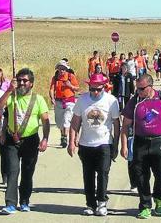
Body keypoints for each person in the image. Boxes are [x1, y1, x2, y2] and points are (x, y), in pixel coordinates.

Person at [120, 74, 161, 219]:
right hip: (140, 142)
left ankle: (158, 198)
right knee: (141, 176)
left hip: (160, 143)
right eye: (137, 88)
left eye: (141, 89)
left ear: (151, 86)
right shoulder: (134, 102)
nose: (138, 92)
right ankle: (145, 205)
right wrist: (123, 145)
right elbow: (125, 125)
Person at [0, 68, 50, 214]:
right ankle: (10, 203)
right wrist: (8, 91)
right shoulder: (11, 96)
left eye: (25, 81)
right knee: (13, 171)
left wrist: (45, 138)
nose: (21, 83)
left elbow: (45, 120)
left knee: (27, 172)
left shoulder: (38, 99)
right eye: (19, 80)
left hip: (31, 140)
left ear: (31, 83)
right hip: (11, 141)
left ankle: (25, 201)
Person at [68, 73, 120, 216]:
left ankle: (102, 202)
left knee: (103, 173)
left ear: (104, 87)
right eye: (92, 89)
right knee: (88, 175)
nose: (95, 92)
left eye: (98, 89)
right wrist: (71, 141)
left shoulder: (112, 101)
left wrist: (116, 145)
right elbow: (75, 121)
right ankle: (90, 204)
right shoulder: (82, 100)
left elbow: (116, 124)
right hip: (86, 144)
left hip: (104, 143)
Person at [49, 60, 80, 148]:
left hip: (69, 101)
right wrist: (52, 98)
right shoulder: (55, 78)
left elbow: (77, 88)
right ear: (58, 69)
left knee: (66, 119)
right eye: (60, 69)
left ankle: (65, 137)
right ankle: (63, 135)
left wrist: (70, 86)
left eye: (64, 69)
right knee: (59, 121)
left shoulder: (71, 76)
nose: (62, 70)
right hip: (58, 101)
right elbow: (51, 89)